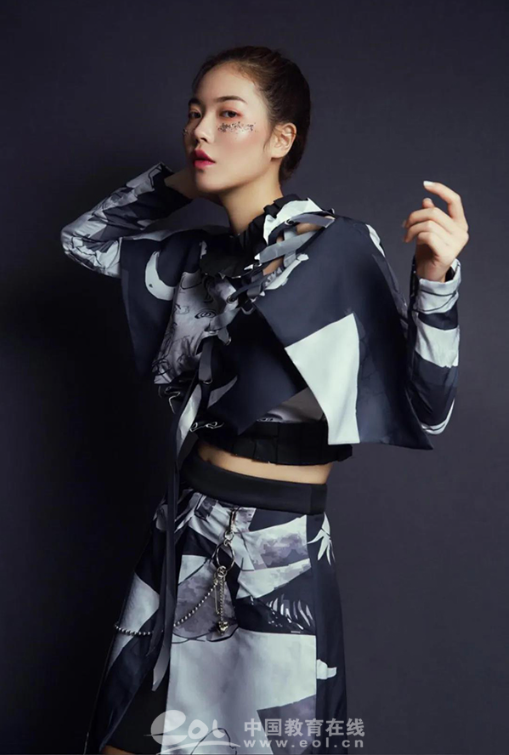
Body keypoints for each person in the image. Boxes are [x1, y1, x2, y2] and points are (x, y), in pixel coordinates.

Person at [60, 45, 468, 755]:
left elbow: (428, 408)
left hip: (277, 554)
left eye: (228, 116)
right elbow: (83, 241)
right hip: (182, 533)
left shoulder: (338, 248)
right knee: (122, 736)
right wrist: (189, 179)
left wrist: (436, 279)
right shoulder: (195, 260)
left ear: (281, 138)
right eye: (195, 115)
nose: (201, 130)